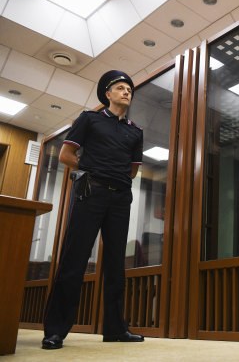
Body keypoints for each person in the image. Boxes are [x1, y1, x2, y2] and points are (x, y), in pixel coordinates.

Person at [42, 70, 144, 349]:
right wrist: (93, 169)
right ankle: (55, 331)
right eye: (120, 88)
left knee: (115, 266)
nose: (126, 92)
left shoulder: (135, 131)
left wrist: (114, 176)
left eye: (129, 89)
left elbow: (133, 172)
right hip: (91, 192)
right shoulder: (89, 119)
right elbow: (66, 156)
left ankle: (115, 329)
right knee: (73, 260)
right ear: (107, 94)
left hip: (121, 198)